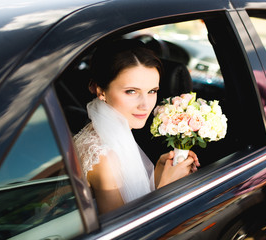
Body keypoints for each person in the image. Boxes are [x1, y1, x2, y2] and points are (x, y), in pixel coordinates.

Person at [73, 39, 200, 214]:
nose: (146, 105)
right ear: (100, 90)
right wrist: (165, 188)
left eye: (152, 91)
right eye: (131, 91)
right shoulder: (103, 159)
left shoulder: (108, 132)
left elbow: (131, 197)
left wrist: (159, 174)